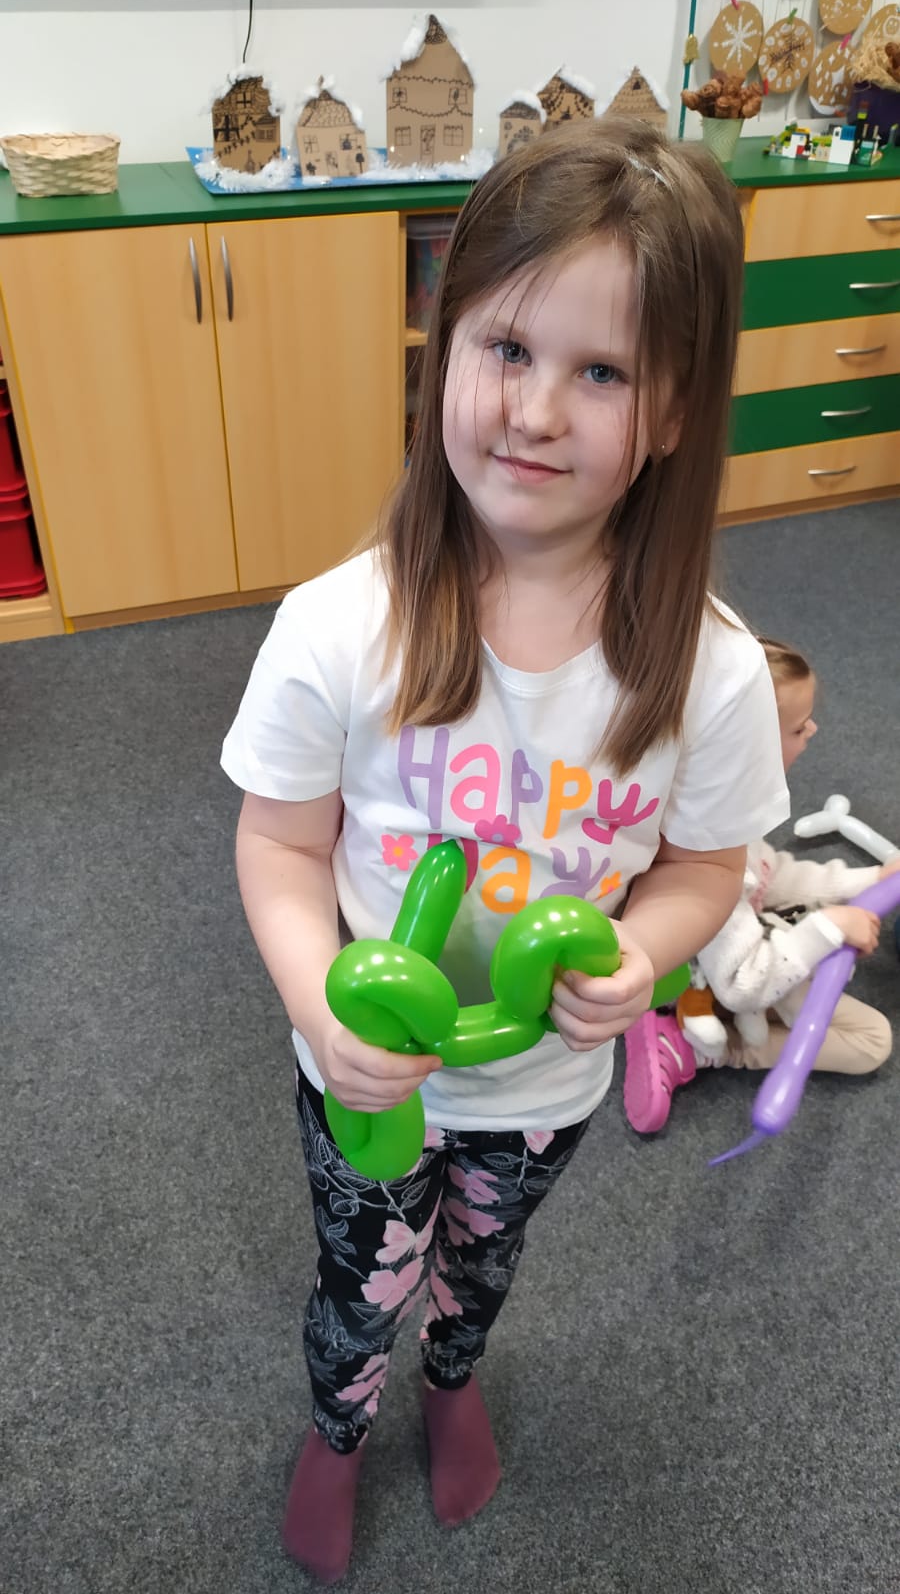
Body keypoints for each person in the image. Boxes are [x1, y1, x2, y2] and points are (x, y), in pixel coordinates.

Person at [220, 117, 790, 1584]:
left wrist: (645, 956)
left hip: (542, 1088)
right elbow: (280, 847)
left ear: (674, 409)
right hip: (374, 1079)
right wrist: (320, 1010)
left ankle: (456, 1378)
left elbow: (704, 867)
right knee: (363, 1282)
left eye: (602, 373)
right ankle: (338, 1427)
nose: (536, 410)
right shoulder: (337, 627)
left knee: (481, 1267)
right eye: (508, 348)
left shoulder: (712, 670)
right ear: (445, 347)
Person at [623, 638, 895, 1134]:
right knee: (871, 1041)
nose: (813, 729)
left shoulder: (722, 810)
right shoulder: (704, 859)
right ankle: (699, 1049)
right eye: (799, 726)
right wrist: (831, 928)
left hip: (737, 951)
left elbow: (775, 875)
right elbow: (745, 984)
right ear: (754, 747)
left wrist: (867, 879)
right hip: (726, 978)